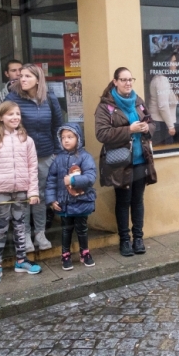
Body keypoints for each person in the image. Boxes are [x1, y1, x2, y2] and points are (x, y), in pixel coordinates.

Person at [0, 101, 43, 285]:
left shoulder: (26, 140)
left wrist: (33, 191)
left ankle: (21, 261)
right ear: (1, 117)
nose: (15, 117)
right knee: (1, 228)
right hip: (1, 192)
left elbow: (32, 167)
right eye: (10, 114)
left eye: (18, 114)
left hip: (21, 190)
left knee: (21, 226)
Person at [95, 67, 157, 257]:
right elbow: (102, 134)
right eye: (123, 80)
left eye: (130, 79)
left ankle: (138, 238)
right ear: (115, 82)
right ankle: (125, 241)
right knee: (123, 202)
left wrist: (147, 127)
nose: (128, 83)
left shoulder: (138, 101)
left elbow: (152, 122)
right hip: (120, 163)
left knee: (138, 201)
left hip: (140, 160)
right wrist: (129, 130)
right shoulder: (106, 106)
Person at [4, 63, 64, 252]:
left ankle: (40, 233)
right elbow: (4, 126)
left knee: (40, 196)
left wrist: (56, 151)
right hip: (20, 157)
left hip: (45, 155)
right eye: (21, 76)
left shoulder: (49, 98)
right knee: (22, 197)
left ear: (38, 79)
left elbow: (57, 127)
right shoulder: (12, 98)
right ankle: (24, 236)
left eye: (28, 76)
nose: (23, 79)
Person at [46, 124, 97, 270]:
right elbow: (51, 180)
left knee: (82, 228)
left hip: (81, 201)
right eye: (63, 138)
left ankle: (85, 252)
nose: (66, 141)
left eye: (70, 137)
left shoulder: (85, 157)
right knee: (66, 229)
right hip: (64, 203)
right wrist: (51, 199)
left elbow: (90, 177)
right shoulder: (58, 159)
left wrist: (73, 181)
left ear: (78, 138)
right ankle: (65, 254)